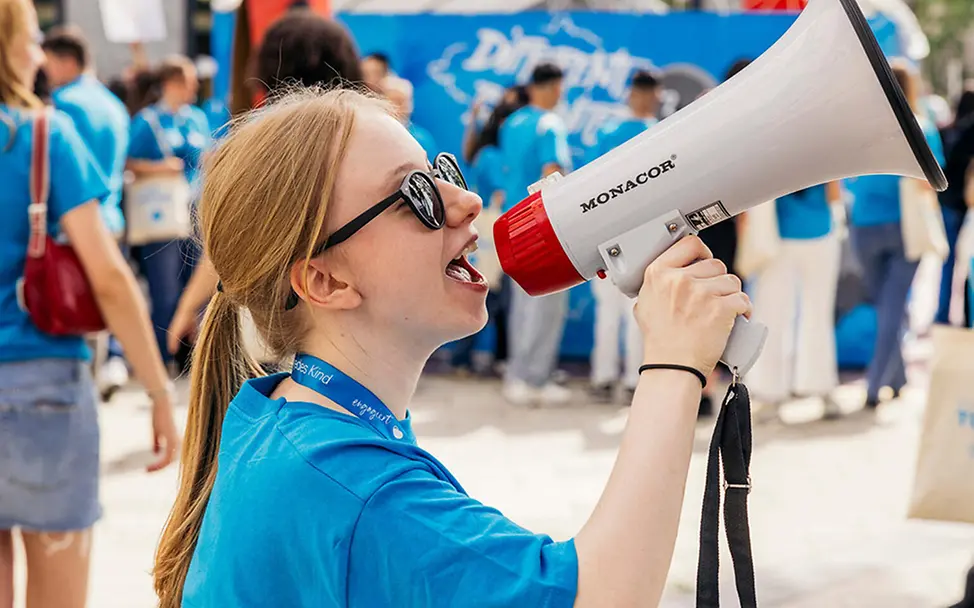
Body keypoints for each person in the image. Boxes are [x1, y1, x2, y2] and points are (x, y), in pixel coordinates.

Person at [151, 86, 752, 608]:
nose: (464, 202)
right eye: (417, 194)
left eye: (443, 173)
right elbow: (597, 597)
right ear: (324, 281)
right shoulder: (360, 492)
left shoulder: (277, 417)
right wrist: (673, 365)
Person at [0, 2, 180, 608]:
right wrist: (157, 390)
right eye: (28, 40)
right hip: (40, 387)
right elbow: (106, 276)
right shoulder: (42, 134)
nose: (36, 55)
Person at [166, 9, 365, 358]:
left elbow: (229, 244)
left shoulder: (261, 145)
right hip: (358, 322)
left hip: (278, 326)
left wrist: (187, 307)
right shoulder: (368, 140)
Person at [846, 61, 945, 409]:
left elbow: (847, 179)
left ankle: (894, 379)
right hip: (906, 227)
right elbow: (931, 181)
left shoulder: (863, 129)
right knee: (894, 306)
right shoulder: (922, 126)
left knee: (886, 305)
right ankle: (877, 384)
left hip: (864, 225)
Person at [42, 25, 133, 397]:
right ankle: (105, 375)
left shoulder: (62, 106)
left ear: (65, 61)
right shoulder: (114, 104)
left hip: (75, 224)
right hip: (112, 217)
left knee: (74, 317)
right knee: (103, 309)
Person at [127, 55, 212, 372]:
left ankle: (192, 359)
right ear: (171, 84)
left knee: (198, 289)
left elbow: (206, 155)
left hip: (195, 212)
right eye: (188, 82)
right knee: (165, 291)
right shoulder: (148, 121)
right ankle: (160, 360)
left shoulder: (197, 118)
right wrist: (158, 168)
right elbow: (127, 163)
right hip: (162, 216)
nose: (194, 88)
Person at [499, 62, 573, 406]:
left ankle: (518, 375)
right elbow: (552, 174)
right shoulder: (550, 124)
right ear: (553, 87)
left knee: (522, 304)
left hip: (514, 222)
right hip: (544, 224)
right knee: (546, 304)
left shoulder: (512, 122)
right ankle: (535, 379)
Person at [586, 69, 662, 404]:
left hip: (606, 236)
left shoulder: (607, 133)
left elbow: (589, 188)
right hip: (643, 237)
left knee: (608, 312)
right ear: (650, 94)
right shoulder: (657, 134)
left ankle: (603, 377)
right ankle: (633, 379)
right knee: (637, 311)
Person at [745, 182, 844, 422]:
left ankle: (770, 394)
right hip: (816, 234)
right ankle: (821, 389)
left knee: (772, 317)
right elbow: (834, 194)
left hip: (780, 236)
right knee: (817, 316)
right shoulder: (824, 150)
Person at [449, 95, 527, 374]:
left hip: (501, 231)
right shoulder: (493, 156)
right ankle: (464, 359)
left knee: (500, 300)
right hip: (493, 233)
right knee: (489, 297)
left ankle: (493, 358)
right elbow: (497, 194)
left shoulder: (490, 153)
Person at [934, 87, 974, 325]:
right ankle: (967, 319)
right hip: (967, 207)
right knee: (969, 265)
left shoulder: (946, 130)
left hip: (948, 203)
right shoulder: (971, 131)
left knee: (948, 262)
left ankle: (943, 314)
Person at [382, 75, 438, 159]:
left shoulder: (422, 139)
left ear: (410, 106)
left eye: (400, 102)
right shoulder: (376, 136)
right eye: (391, 102)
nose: (396, 108)